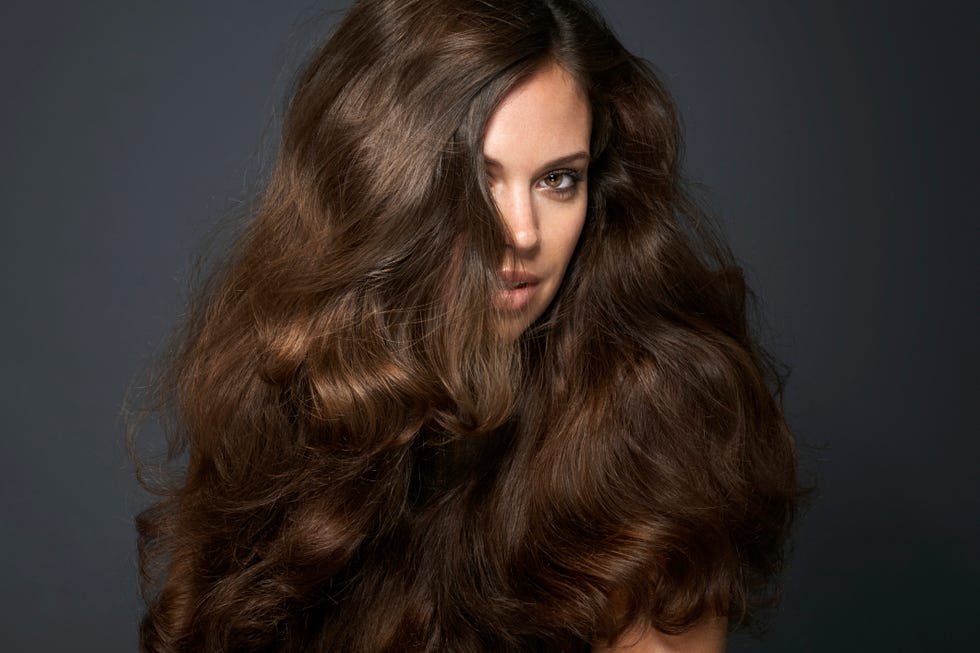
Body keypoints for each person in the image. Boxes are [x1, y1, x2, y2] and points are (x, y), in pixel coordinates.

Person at [135, 0, 802, 651]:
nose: (522, 231)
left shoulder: (651, 424)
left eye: (559, 180)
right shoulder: (283, 403)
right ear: (384, 188)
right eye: (478, 181)